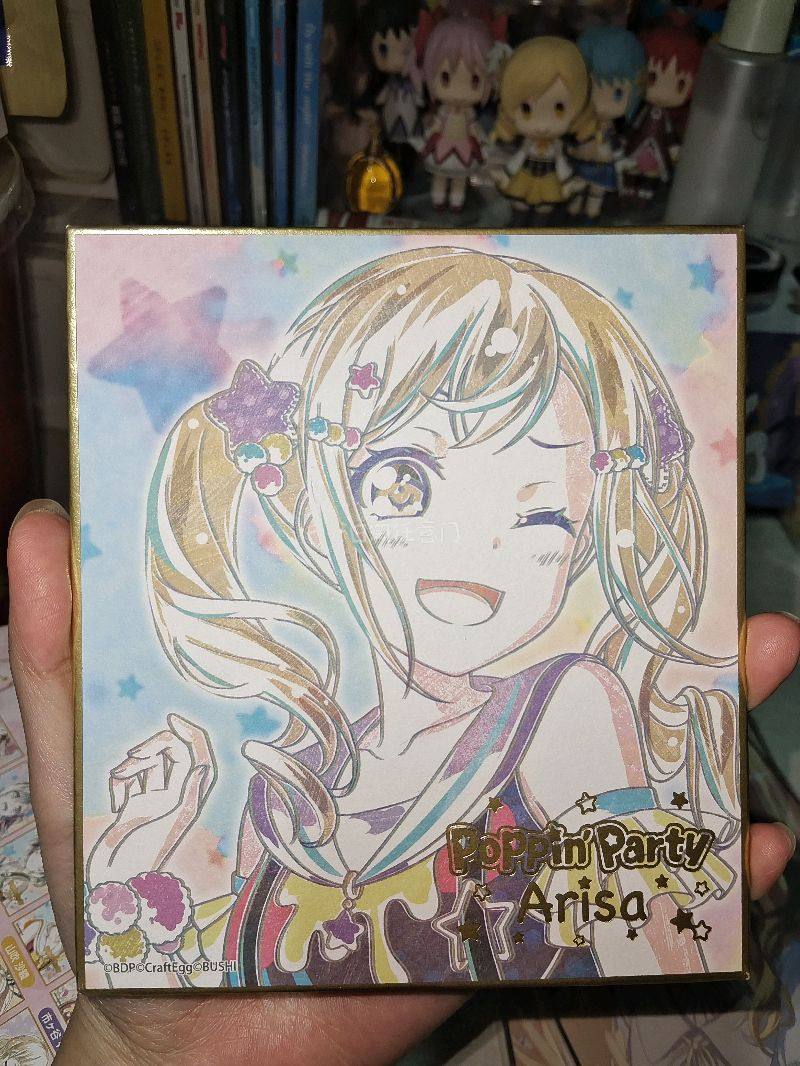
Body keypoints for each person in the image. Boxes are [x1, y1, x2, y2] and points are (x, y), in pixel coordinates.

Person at [7, 292, 799, 1060]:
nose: (478, 550)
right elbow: (191, 1002)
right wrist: (130, 868)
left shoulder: (565, 709)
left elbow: (655, 940)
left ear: (587, 540)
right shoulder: (284, 798)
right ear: (312, 501)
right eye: (403, 483)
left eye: (542, 516)